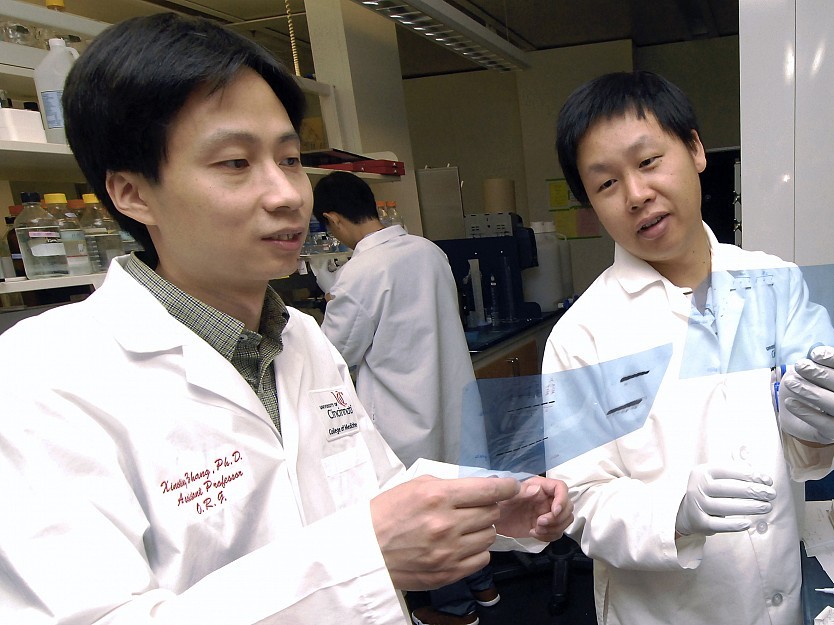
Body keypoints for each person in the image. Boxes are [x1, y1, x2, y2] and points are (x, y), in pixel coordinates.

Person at [0, 13, 573, 625]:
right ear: (133, 193)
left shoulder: (301, 338)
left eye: (291, 159)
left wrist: (492, 510)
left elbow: (374, 492)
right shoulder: (43, 381)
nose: (288, 194)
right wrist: (359, 555)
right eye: (234, 164)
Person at [542, 70, 834, 625]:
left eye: (648, 161)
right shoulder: (581, 337)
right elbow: (582, 499)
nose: (637, 195)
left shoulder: (776, 282)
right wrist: (675, 512)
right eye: (605, 184)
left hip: (785, 600)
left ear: (695, 149)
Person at [313, 171, 498, 625]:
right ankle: (485, 587)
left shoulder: (360, 272)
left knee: (426, 513)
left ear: (333, 219)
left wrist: (326, 303)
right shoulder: (427, 250)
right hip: (449, 395)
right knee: (459, 495)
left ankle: (455, 612)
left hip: (403, 413)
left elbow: (334, 355)